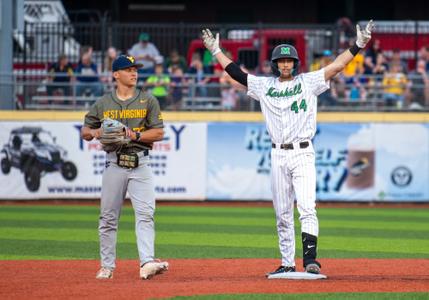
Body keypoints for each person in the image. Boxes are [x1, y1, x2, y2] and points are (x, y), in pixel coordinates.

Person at [201, 20, 374, 277]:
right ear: (275, 64)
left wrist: (358, 44)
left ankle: (311, 260)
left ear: (295, 63)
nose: (285, 65)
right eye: (281, 61)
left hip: (302, 152)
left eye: (289, 61)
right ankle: (287, 262)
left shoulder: (308, 82)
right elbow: (238, 74)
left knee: (306, 206)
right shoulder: (264, 86)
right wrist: (216, 51)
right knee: (282, 213)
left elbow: (337, 66)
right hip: (278, 153)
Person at [80, 55, 168, 280]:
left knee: (146, 214)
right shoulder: (103, 103)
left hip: (141, 162)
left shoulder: (148, 100)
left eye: (135, 69)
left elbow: (158, 132)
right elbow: (85, 131)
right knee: (108, 217)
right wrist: (97, 132)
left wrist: (136, 134)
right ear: (116, 74)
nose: (134, 73)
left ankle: (147, 262)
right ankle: (107, 267)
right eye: (128, 69)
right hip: (114, 163)